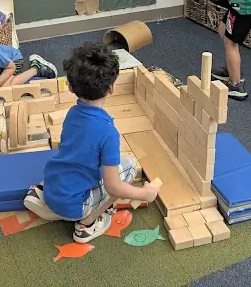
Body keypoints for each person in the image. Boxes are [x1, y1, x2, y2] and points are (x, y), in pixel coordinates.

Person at [23, 42, 160, 243]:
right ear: (111, 88)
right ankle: (87, 224)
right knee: (128, 167)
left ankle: (42, 196)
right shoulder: (108, 133)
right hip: (74, 206)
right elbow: (114, 187)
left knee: (73, 164)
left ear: (70, 87)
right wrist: (144, 194)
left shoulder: (72, 113)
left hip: (53, 186)